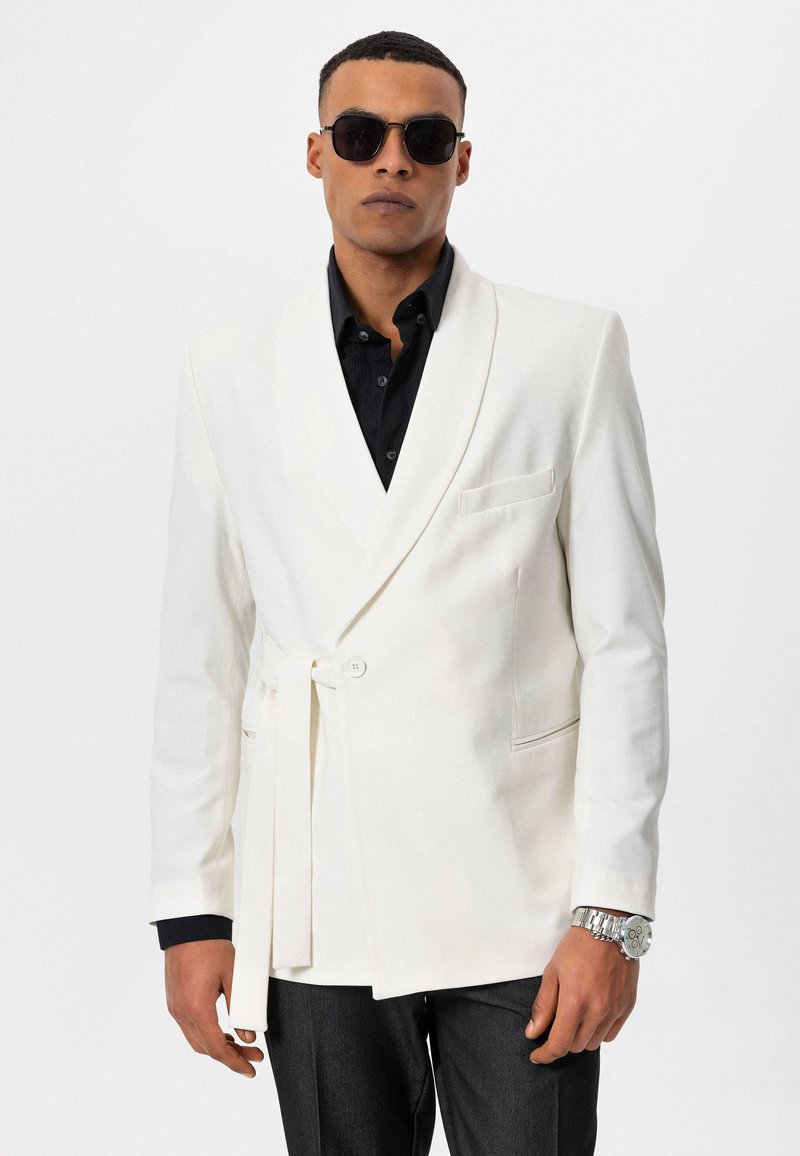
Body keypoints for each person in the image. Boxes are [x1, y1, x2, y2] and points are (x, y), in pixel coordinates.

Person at [148, 29, 669, 1156]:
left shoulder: (567, 353)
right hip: (316, 893)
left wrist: (612, 911)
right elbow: (202, 652)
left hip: (523, 903)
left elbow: (625, 645)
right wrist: (192, 909)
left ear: (460, 161)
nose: (392, 159)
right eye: (360, 134)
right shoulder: (229, 370)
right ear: (316, 154)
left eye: (425, 137)